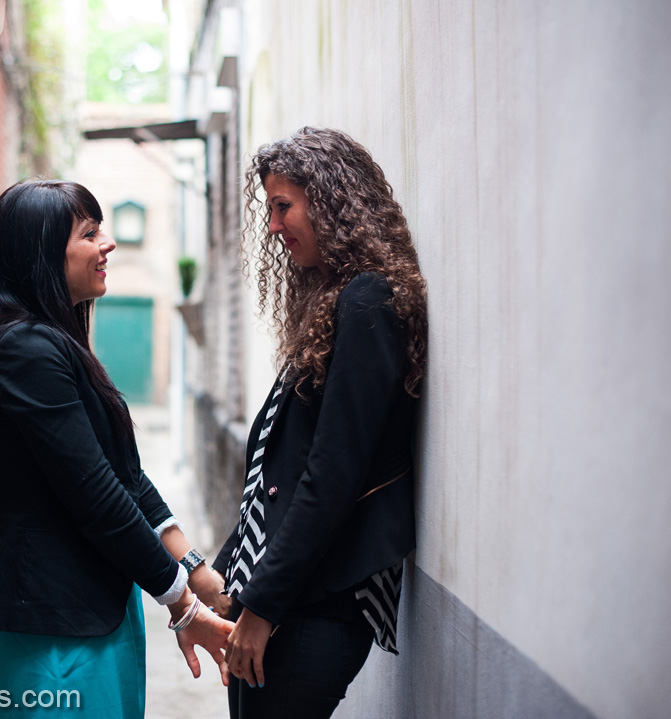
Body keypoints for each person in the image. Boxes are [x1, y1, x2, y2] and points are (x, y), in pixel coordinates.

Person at [0, 180, 233, 718]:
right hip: (55, 630)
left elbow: (125, 476)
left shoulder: (56, 345)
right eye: (90, 232)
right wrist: (181, 604)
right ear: (42, 254)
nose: (107, 244)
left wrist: (196, 573)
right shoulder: (24, 351)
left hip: (96, 610)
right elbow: (97, 495)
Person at [213, 127, 428, 718]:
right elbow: (280, 464)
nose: (274, 226)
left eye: (284, 206)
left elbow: (333, 472)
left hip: (318, 601)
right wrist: (233, 572)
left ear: (331, 202)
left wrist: (263, 607)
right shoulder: (336, 299)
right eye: (271, 208)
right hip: (290, 591)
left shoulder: (367, 300)